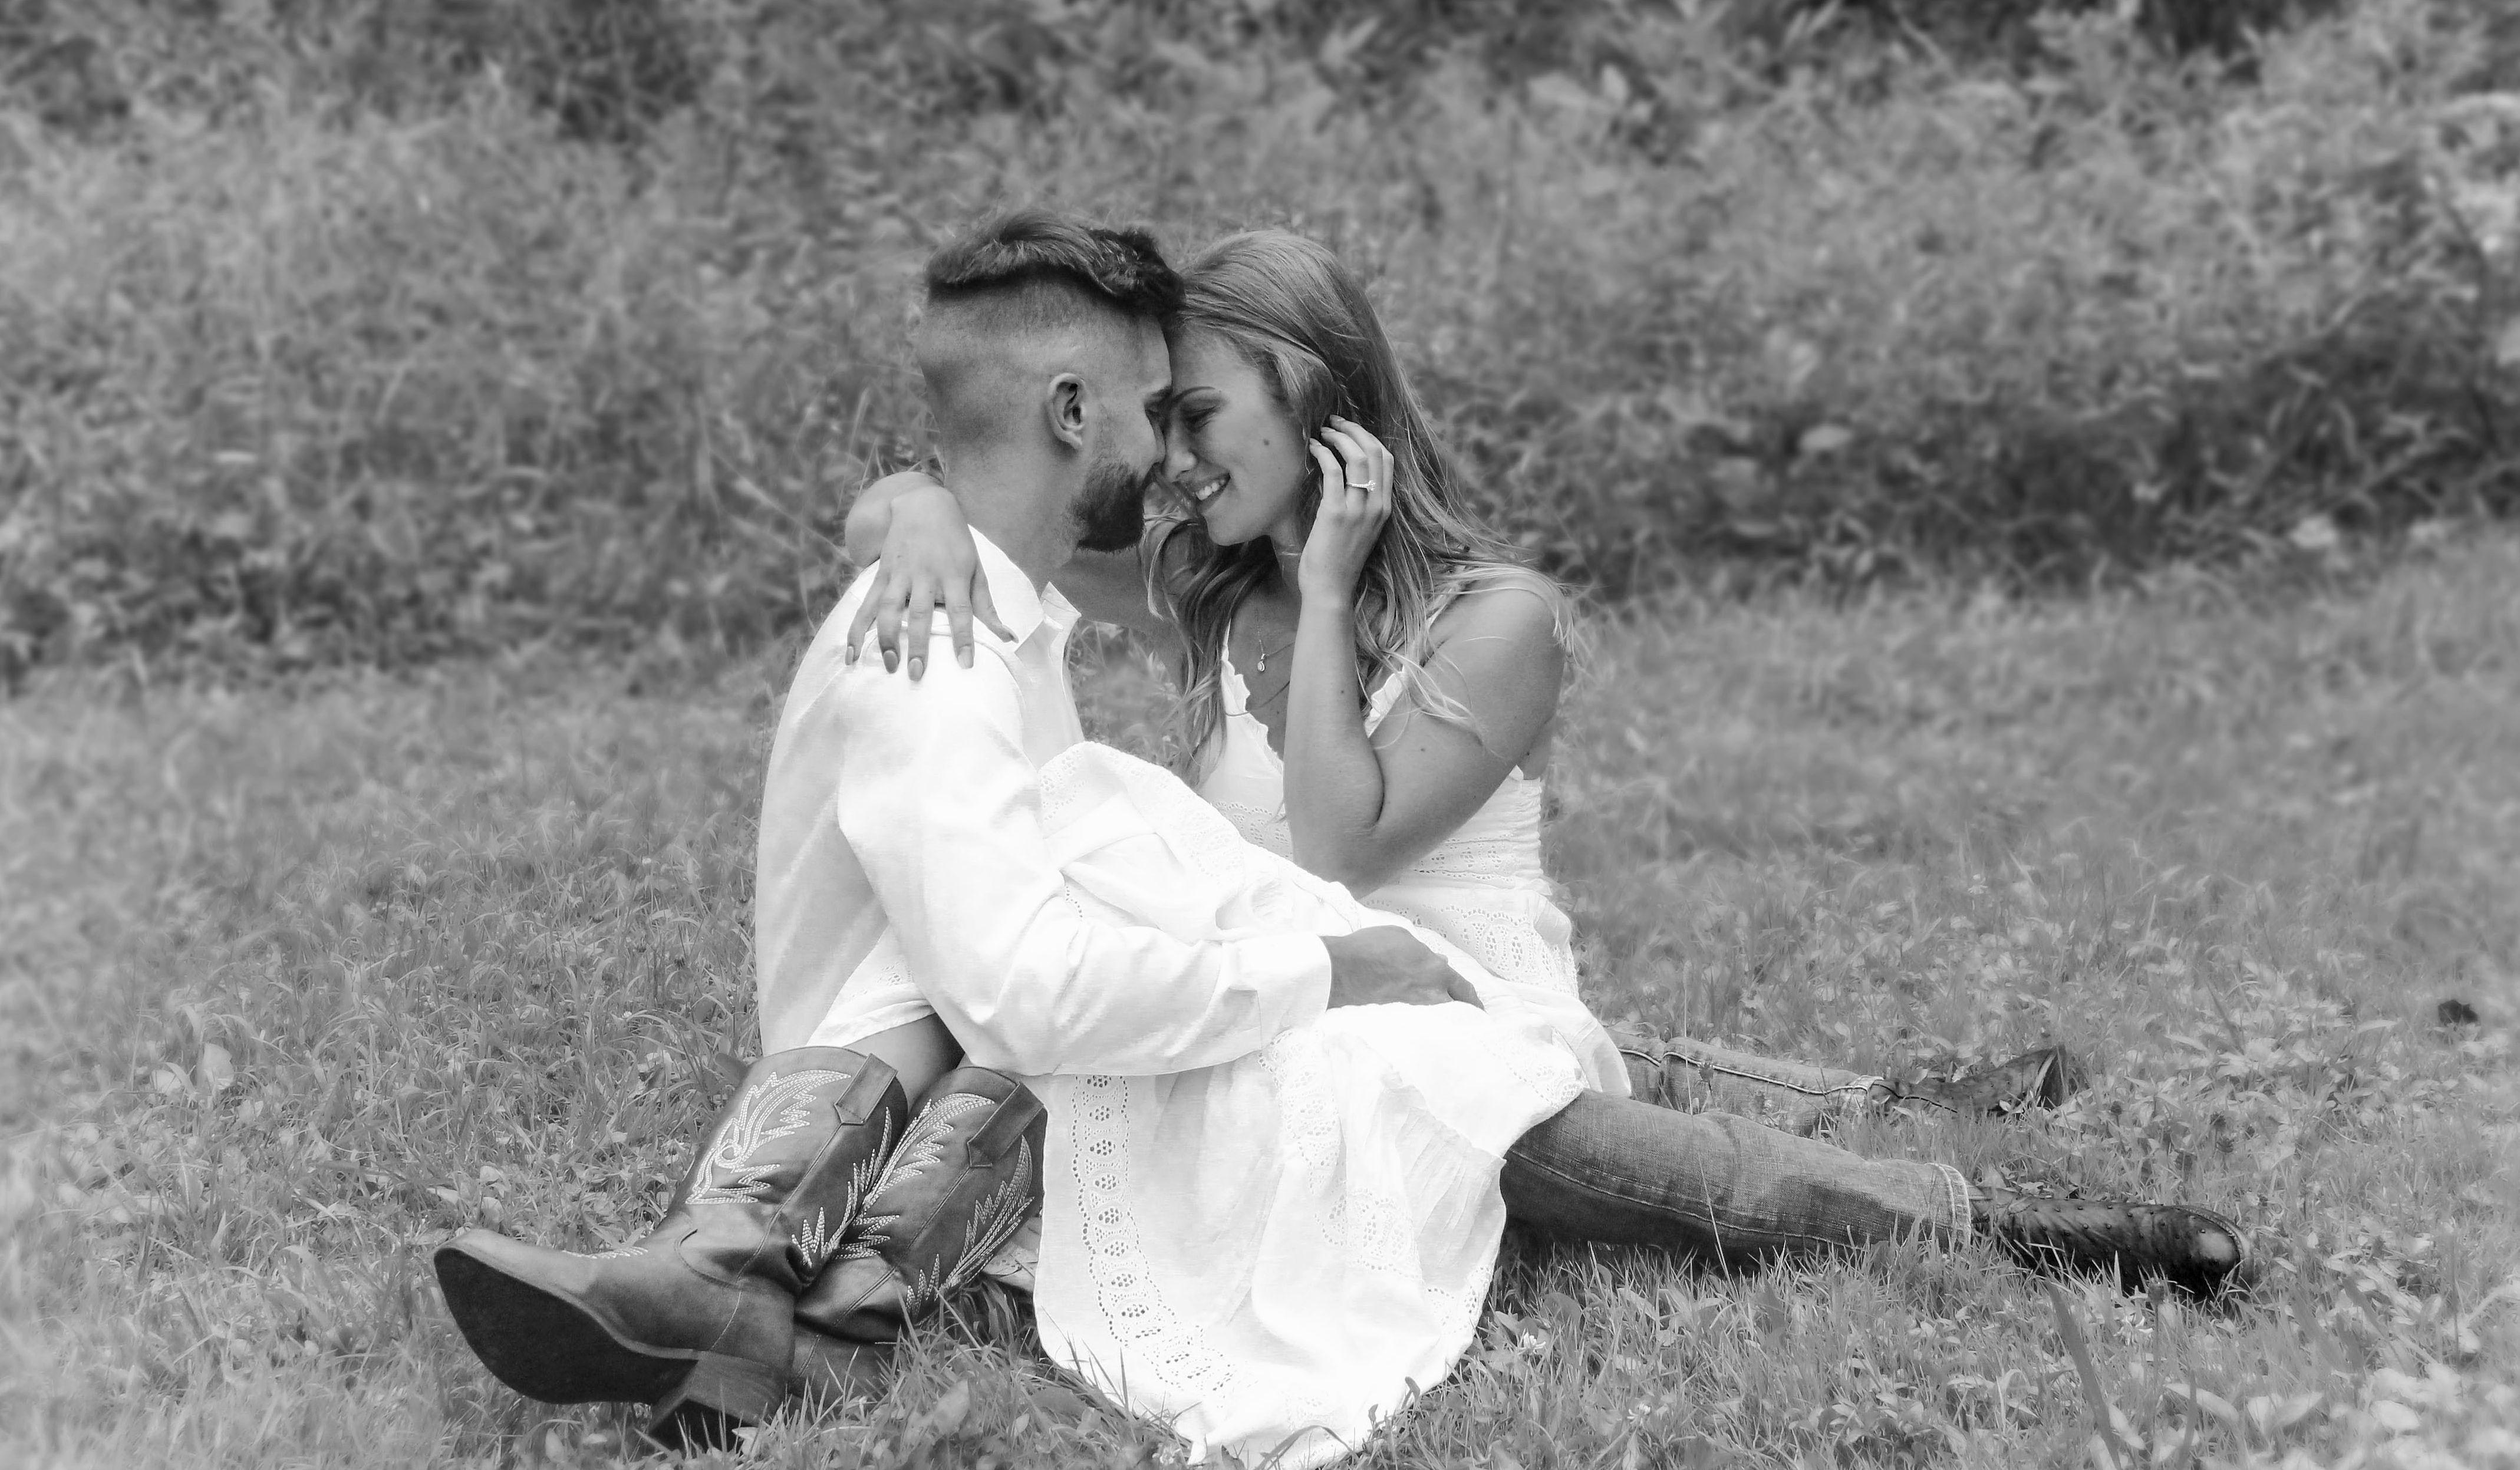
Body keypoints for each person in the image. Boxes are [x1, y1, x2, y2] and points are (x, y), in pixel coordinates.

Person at [433, 212, 2250, 1468]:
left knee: (1584, 1106)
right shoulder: (1192, 579)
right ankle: (773, 1303)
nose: (1170, 453)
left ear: (1321, 406)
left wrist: (1320, 595)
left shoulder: (1489, 615)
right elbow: (993, 491)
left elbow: (1345, 843)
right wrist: (905, 508)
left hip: (1433, 975)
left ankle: (2000, 1204)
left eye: (1199, 412)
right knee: (1081, 979)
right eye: (1156, 415)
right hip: (1297, 984)